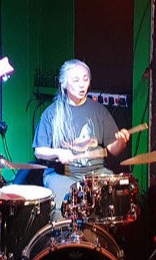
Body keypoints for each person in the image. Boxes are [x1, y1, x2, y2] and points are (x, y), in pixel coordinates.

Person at [33, 59, 131, 218]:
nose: (82, 85)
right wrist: (58, 152)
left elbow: (113, 150)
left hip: (96, 173)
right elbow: (39, 151)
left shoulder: (99, 111)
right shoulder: (52, 113)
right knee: (64, 208)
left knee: (114, 196)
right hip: (62, 175)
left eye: (85, 79)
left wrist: (121, 142)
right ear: (64, 84)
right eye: (76, 80)